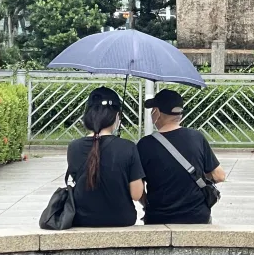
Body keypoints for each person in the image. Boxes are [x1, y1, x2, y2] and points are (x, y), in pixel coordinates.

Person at [137, 89, 225, 224]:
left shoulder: (144, 145)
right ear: (180, 114)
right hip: (197, 218)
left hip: (158, 218)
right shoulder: (197, 137)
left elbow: (137, 188)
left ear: (157, 112)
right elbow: (219, 176)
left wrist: (146, 204)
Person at [67, 87, 145, 227]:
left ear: (88, 115)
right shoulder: (128, 147)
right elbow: (136, 194)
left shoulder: (74, 147)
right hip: (122, 219)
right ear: (117, 116)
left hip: (82, 219)